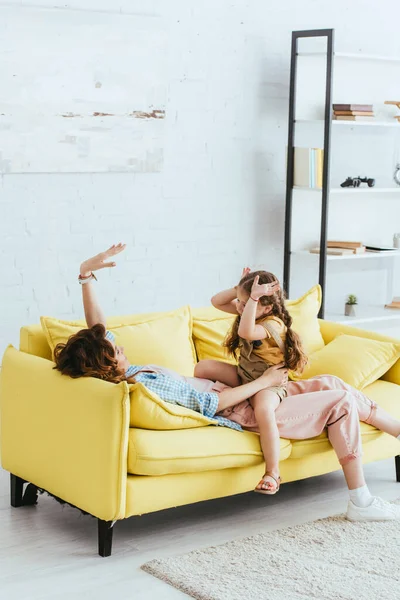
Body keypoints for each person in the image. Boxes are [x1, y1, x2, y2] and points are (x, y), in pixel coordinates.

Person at [54, 244, 400, 521]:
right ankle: (361, 500)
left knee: (330, 381)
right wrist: (264, 379)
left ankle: (395, 428)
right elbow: (213, 405)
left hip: (250, 391)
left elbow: (98, 326)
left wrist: (86, 274)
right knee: (339, 401)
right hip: (244, 406)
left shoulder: (126, 371)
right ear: (106, 364)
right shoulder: (146, 387)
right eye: (117, 349)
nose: (122, 345)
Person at [199, 269, 307, 496]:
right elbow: (216, 302)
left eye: (248, 303)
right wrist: (241, 289)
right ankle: (220, 403)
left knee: (264, 410)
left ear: (267, 307)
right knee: (203, 367)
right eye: (240, 301)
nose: (240, 306)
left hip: (270, 383)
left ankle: (272, 472)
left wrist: (253, 298)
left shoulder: (273, 324)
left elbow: (246, 332)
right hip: (246, 376)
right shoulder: (249, 310)